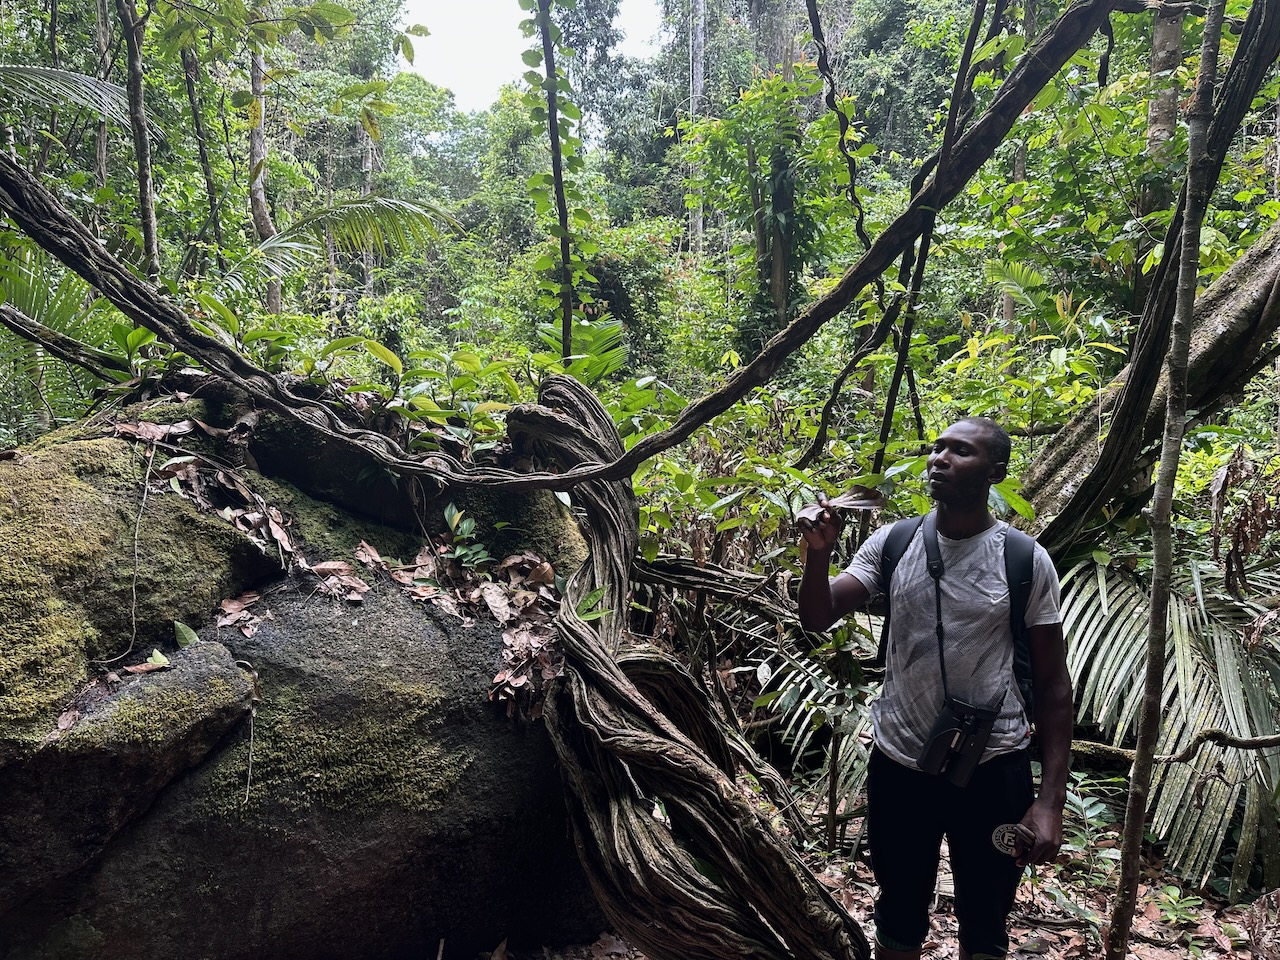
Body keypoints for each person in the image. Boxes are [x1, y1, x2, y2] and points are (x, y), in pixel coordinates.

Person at [797, 417, 1072, 960]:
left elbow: (1052, 684)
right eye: (937, 448)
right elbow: (818, 615)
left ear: (996, 472)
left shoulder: (1023, 559)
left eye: (960, 452)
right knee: (899, 906)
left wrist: (1049, 802)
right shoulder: (895, 542)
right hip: (902, 762)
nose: (939, 459)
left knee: (986, 915)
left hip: (994, 766)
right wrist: (819, 553)